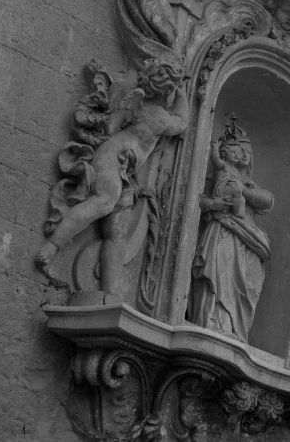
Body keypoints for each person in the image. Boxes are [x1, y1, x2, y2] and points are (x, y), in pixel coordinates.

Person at [36, 59, 188, 295]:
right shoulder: (159, 116)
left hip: (125, 168)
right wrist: (183, 94)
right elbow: (181, 122)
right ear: (168, 90)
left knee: (116, 232)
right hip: (113, 159)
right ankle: (53, 245)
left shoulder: (141, 105)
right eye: (172, 87)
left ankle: (109, 293)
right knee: (104, 201)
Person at [188, 120, 274, 342]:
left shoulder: (249, 184)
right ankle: (211, 322)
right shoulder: (220, 173)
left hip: (247, 237)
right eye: (239, 150)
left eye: (247, 151)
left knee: (246, 281)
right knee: (218, 272)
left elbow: (267, 201)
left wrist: (243, 190)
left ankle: (235, 330)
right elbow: (198, 197)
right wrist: (213, 204)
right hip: (222, 229)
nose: (243, 155)